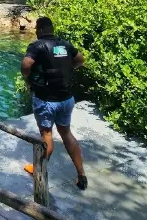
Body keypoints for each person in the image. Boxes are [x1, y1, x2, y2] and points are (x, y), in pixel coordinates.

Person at [20, 16, 87, 190]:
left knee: (46, 136)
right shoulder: (65, 44)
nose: (35, 32)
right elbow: (80, 59)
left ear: (40, 30)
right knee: (66, 133)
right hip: (66, 99)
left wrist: (28, 77)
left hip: (46, 100)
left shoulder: (37, 46)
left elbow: (26, 65)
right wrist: (65, 68)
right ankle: (81, 175)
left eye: (36, 29)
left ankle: (38, 170)